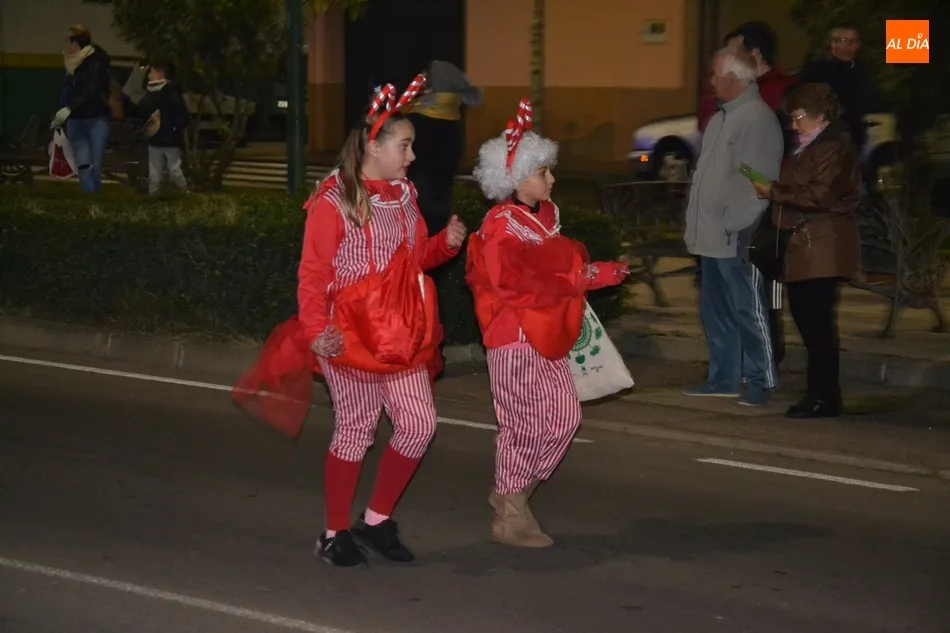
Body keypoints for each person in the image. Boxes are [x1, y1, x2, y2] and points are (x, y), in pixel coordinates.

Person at [233, 75, 467, 568]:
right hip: (350, 334)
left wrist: (443, 246)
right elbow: (312, 273)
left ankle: (376, 521)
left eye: (412, 146)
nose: (412, 156)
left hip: (401, 332)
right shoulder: (333, 200)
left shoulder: (403, 194)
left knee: (419, 425)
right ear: (374, 147)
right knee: (356, 431)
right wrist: (317, 332)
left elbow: (413, 261)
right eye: (405, 145)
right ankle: (334, 532)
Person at [466, 99, 629, 547]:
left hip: (549, 331)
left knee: (564, 418)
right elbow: (513, 284)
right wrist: (582, 278)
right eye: (543, 172)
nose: (552, 179)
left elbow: (556, 272)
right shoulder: (500, 226)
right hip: (512, 335)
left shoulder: (546, 216)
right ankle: (511, 514)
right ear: (517, 178)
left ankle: (510, 493)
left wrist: (592, 275)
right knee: (521, 425)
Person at [751, 83, 861, 419]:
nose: (793, 124)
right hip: (807, 245)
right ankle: (821, 394)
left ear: (821, 115)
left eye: (798, 117)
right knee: (810, 322)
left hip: (821, 246)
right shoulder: (813, 144)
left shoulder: (833, 147)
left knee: (816, 325)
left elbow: (818, 195)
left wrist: (772, 191)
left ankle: (823, 397)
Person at [683, 49, 784, 406]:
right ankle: (723, 379)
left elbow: (757, 177)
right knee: (717, 313)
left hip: (736, 235)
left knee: (747, 310)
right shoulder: (721, 119)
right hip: (713, 233)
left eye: (716, 74)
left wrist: (735, 221)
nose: (711, 81)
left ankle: (760, 381)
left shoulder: (756, 121)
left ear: (733, 79)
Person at [406, 60, 483, 236]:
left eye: (426, 79)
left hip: (416, 206)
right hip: (440, 204)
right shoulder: (452, 122)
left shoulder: (417, 122)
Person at [53, 25, 112, 193]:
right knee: (83, 167)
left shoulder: (96, 61)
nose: (65, 45)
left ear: (75, 43)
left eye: (68, 41)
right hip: (76, 121)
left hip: (96, 119)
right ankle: (90, 200)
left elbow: (92, 90)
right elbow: (67, 90)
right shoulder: (70, 62)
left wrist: (69, 108)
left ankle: (95, 199)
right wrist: (61, 111)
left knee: (96, 167)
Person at [798, 25, 871, 152]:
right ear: (831, 43)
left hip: (854, 137)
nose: (849, 46)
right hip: (825, 137)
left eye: (854, 41)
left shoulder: (860, 70)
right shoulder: (816, 71)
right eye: (843, 40)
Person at [138, 62, 189, 194]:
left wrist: (173, 130)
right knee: (154, 172)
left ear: (160, 74)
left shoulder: (172, 95)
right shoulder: (151, 94)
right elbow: (142, 112)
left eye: (152, 72)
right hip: (155, 140)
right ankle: (154, 195)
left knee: (174, 170)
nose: (149, 76)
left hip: (170, 141)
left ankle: (182, 193)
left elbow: (182, 116)